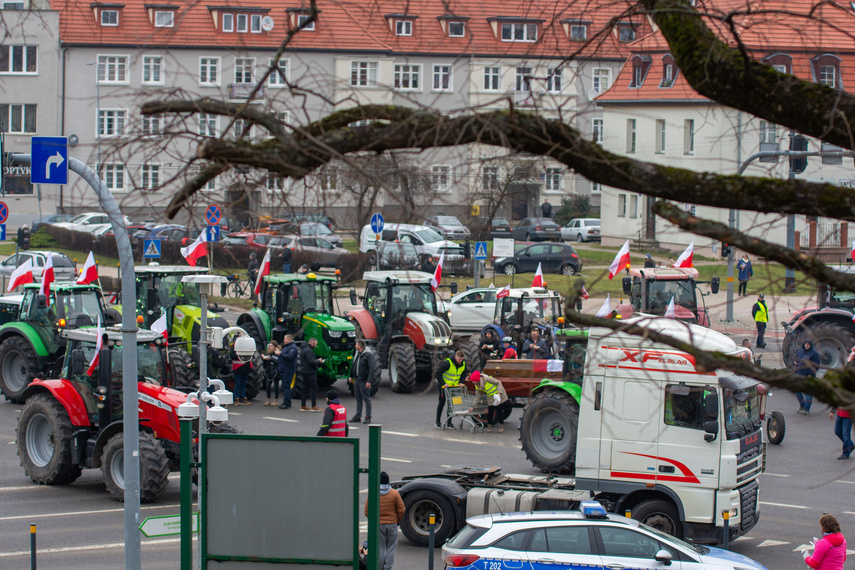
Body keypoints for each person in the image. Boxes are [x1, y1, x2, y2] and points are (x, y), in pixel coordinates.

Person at [364, 471, 405, 570]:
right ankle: (388, 567)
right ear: (388, 482)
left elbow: (366, 511)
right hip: (392, 524)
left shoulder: (373, 493)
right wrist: (397, 519)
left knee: (380, 548)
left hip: (379, 524)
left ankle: (380, 567)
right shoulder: (394, 493)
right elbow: (401, 509)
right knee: (391, 548)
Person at [435, 350, 468, 430]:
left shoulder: (463, 364)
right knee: (442, 402)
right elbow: (438, 373)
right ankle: (437, 421)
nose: (460, 361)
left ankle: (449, 422)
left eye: (461, 359)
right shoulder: (447, 363)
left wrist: (461, 382)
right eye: (459, 359)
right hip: (444, 386)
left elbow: (464, 373)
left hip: (454, 386)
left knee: (451, 404)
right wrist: (443, 383)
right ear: (455, 357)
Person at [349, 339, 376, 423]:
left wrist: (369, 381)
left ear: (360, 346)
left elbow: (371, 368)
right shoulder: (357, 353)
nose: (355, 346)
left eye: (356, 344)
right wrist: (351, 376)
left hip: (364, 380)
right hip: (357, 379)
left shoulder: (368, 355)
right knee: (358, 398)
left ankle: (368, 416)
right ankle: (358, 415)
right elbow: (354, 364)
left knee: (366, 399)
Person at [794, 340, 821, 415]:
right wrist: (795, 362)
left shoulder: (814, 354)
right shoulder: (800, 351)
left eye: (808, 344)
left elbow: (816, 365)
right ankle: (802, 405)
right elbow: (796, 359)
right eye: (805, 344)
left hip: (808, 376)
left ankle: (806, 409)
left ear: (811, 345)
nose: (806, 345)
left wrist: (811, 374)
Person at [299, 337, 323, 412]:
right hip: (309, 372)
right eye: (315, 344)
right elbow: (311, 361)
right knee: (314, 388)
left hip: (304, 371)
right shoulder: (308, 350)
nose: (315, 346)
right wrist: (319, 361)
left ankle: (303, 405)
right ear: (312, 343)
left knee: (305, 388)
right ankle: (314, 405)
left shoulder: (303, 349)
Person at [278, 334, 298, 409]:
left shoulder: (293, 347)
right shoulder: (287, 347)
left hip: (288, 369)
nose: (284, 340)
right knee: (284, 386)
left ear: (289, 339)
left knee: (286, 386)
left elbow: (290, 357)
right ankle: (285, 401)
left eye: (285, 339)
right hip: (284, 369)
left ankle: (287, 403)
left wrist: (281, 354)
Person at [230, 340, 253, 405]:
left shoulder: (247, 346)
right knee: (238, 384)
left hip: (245, 367)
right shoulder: (234, 346)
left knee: (243, 384)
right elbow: (232, 356)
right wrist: (240, 355)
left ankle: (243, 397)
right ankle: (236, 398)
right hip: (237, 368)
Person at [262, 341, 280, 406]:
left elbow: (277, 361)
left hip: (275, 372)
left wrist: (269, 359)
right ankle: (268, 399)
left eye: (272, 346)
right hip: (269, 372)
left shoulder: (276, 354)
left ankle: (276, 400)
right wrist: (264, 359)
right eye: (270, 346)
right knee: (268, 386)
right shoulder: (269, 354)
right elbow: (266, 364)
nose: (270, 348)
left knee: (276, 386)